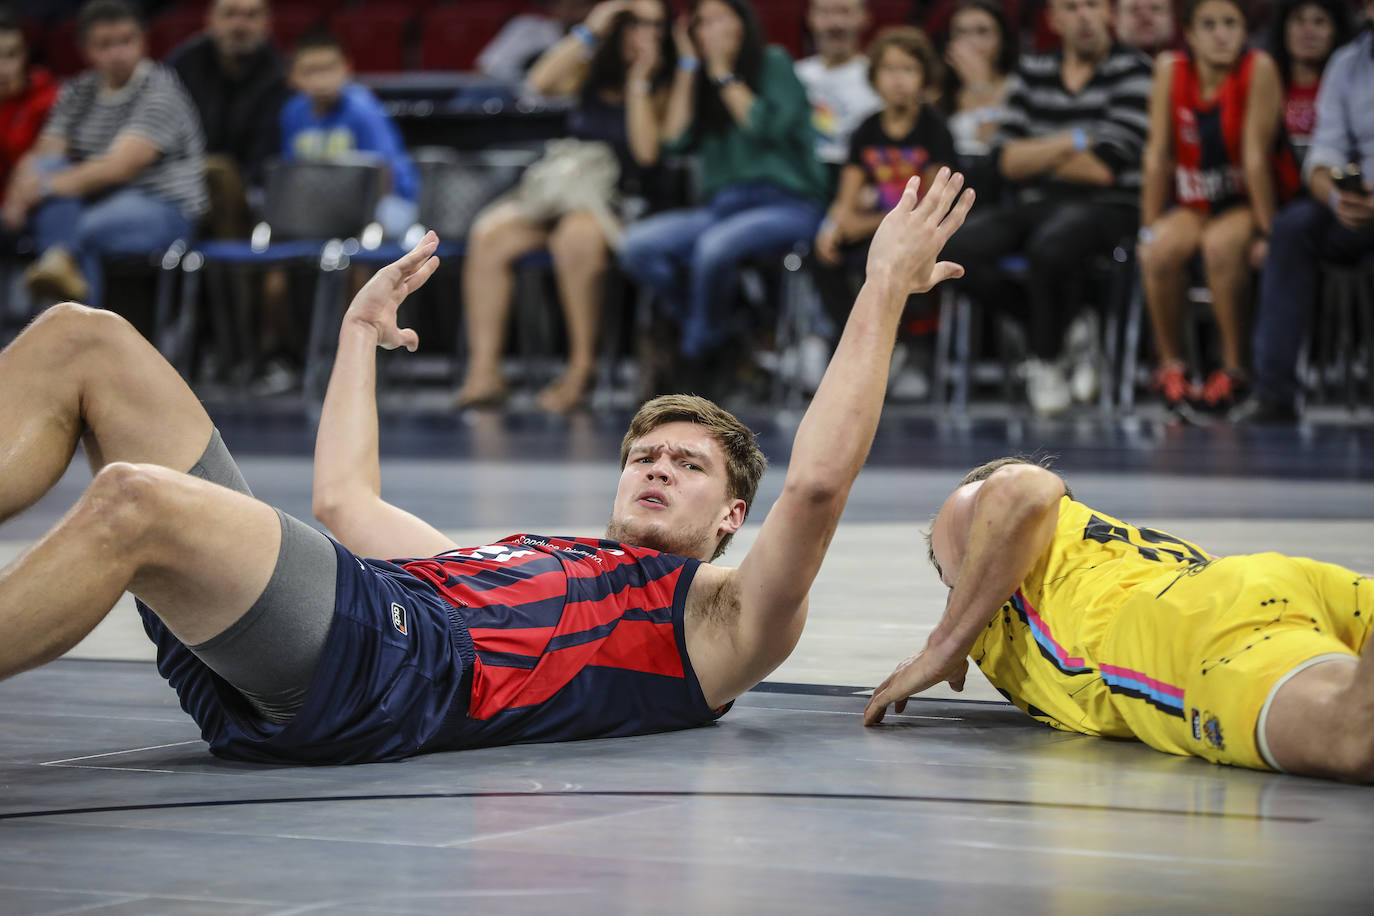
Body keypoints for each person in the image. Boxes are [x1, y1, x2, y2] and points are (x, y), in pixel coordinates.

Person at [0, 162, 973, 763]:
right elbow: (343, 501)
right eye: (645, 453)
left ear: (730, 517)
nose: (657, 468)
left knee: (134, 499)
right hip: (340, 631)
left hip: (384, 668)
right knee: (86, 338)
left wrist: (883, 288)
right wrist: (355, 334)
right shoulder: (514, 560)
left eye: (688, 466)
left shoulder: (717, 623)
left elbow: (813, 483)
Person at [864, 456, 1374, 783]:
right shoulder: (1083, 549)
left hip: (1167, 633)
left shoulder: (991, 542)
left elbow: (1021, 487)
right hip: (1261, 584)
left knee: (1355, 734)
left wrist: (945, 643)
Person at [452, 0, 676, 414]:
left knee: (576, 237)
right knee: (489, 233)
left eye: (653, 25)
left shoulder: (669, 81)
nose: (643, 34)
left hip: (625, 201)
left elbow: (647, 153)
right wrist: (591, 29)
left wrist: (639, 81)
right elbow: (539, 82)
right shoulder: (592, 71)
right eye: (632, 24)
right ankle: (485, 372)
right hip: (565, 192)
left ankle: (581, 368)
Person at [938, 0, 1153, 416]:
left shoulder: (1136, 72)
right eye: (1071, 7)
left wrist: (1036, 154)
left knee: (1051, 245)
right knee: (951, 248)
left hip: (1111, 206)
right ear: (1054, 19)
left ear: (1109, 12)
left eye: (1093, 5)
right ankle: (1065, 326)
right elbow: (1004, 159)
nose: (1084, 16)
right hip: (1038, 202)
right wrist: (1076, 138)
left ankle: (1046, 359)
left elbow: (1105, 167)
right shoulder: (1033, 71)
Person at [617, 0, 828, 392]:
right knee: (636, 245)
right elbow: (674, 141)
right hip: (724, 207)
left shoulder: (773, 63)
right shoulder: (701, 81)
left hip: (789, 203)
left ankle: (697, 355)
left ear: (741, 25)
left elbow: (765, 126)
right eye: (700, 24)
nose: (707, 30)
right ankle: (727, 328)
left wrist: (721, 71)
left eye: (717, 20)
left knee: (715, 248)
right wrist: (687, 66)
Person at [3, 0, 206, 310]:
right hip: (93, 202)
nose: (117, 53)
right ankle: (61, 319)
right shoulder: (79, 91)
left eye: (126, 41)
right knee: (53, 177)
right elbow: (43, 153)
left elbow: (120, 166)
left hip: (164, 207)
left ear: (143, 41)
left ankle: (75, 340)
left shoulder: (160, 89)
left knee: (78, 230)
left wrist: (40, 188)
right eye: (105, 44)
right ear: (85, 49)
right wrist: (17, 194)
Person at [1137, 0, 1283, 415]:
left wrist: (1269, 234)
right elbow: (1158, 156)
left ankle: (1234, 370)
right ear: (1190, 33)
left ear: (1245, 29)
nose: (1222, 34)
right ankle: (1172, 368)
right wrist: (1147, 228)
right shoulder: (1170, 69)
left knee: (1220, 247)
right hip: (1194, 202)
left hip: (1244, 202)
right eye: (1210, 24)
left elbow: (1255, 159)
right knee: (1159, 250)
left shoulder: (1260, 69)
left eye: (1231, 24)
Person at [1232, 0, 1374, 425]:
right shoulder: (1348, 65)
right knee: (1293, 227)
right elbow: (1323, 155)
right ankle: (1275, 393)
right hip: (1359, 206)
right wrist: (1336, 197)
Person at [810, 26, 956, 386]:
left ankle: (901, 347)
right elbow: (847, 196)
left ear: (923, 76)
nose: (898, 80)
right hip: (876, 224)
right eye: (889, 69)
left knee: (887, 258)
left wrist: (864, 224)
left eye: (908, 69)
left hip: (918, 229)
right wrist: (832, 228)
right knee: (822, 255)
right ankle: (854, 346)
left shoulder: (934, 129)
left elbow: (932, 204)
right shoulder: (866, 130)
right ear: (875, 77)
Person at [167, 0, 290, 240]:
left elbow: (273, 156)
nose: (239, 25)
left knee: (222, 176)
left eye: (251, 15)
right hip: (186, 180)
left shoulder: (282, 75)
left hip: (257, 187)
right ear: (210, 19)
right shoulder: (181, 66)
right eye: (230, 14)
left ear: (267, 23)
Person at [280, 29, 418, 241]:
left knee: (358, 231)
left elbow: (385, 175)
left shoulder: (364, 108)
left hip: (388, 202)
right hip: (323, 205)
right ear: (293, 77)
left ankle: (362, 274)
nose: (321, 79)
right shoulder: (292, 112)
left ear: (346, 68)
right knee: (278, 224)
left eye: (328, 69)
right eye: (310, 71)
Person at [1266, 0, 1351, 201]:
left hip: (1333, 195)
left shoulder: (1345, 86)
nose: (1308, 31)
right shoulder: (1267, 82)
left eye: (1319, 22)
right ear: (1284, 28)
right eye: (1299, 20)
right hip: (1278, 197)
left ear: (1336, 31)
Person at [935, 0, 1019, 193]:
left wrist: (979, 85)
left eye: (982, 32)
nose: (971, 42)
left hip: (997, 191)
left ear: (1003, 39)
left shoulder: (1017, 86)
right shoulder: (938, 92)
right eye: (961, 32)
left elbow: (990, 143)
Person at [794, 0, 881, 181]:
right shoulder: (793, 75)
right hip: (801, 185)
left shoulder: (881, 78)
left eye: (845, 12)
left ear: (865, 18)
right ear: (810, 18)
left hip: (861, 182)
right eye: (825, 12)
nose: (835, 23)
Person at [0, 9, 58, 213]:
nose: (3, 68)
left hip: (33, 206)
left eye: (11, 55)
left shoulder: (48, 97)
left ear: (25, 54)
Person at [477, 0, 597, 84]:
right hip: (516, 107)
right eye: (572, 5)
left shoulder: (595, 38)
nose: (577, 13)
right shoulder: (527, 27)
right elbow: (485, 69)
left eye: (583, 5)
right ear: (555, 7)